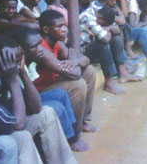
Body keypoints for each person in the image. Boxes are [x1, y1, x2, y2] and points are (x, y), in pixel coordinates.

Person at [0, 37, 76, 164]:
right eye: (14, 62)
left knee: (47, 112)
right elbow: (18, 125)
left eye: (19, 61)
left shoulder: (8, 72)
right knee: (22, 136)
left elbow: (36, 107)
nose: (17, 66)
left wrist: (23, 72)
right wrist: (13, 77)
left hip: (10, 127)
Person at [17, 20, 96, 152]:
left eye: (65, 25)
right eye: (59, 26)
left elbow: (85, 60)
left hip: (51, 84)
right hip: (38, 92)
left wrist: (75, 60)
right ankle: (74, 137)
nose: (65, 29)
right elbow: (75, 74)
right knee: (78, 85)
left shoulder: (56, 44)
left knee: (90, 71)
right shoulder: (41, 51)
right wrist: (74, 62)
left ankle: (82, 121)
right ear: (47, 30)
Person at [80, 6, 140, 94]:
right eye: (103, 24)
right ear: (100, 18)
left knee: (115, 39)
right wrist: (109, 29)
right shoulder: (88, 18)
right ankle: (108, 84)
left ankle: (124, 73)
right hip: (82, 50)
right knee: (103, 45)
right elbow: (105, 39)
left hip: (91, 42)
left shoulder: (102, 13)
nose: (104, 26)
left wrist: (108, 28)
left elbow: (117, 30)